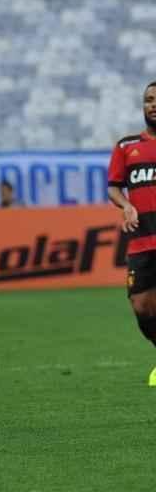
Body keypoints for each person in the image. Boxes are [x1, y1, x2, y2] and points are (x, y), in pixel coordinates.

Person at [107, 80, 156, 386]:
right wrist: (125, 205)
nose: (153, 104)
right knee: (141, 306)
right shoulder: (126, 146)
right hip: (141, 240)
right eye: (149, 99)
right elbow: (114, 187)